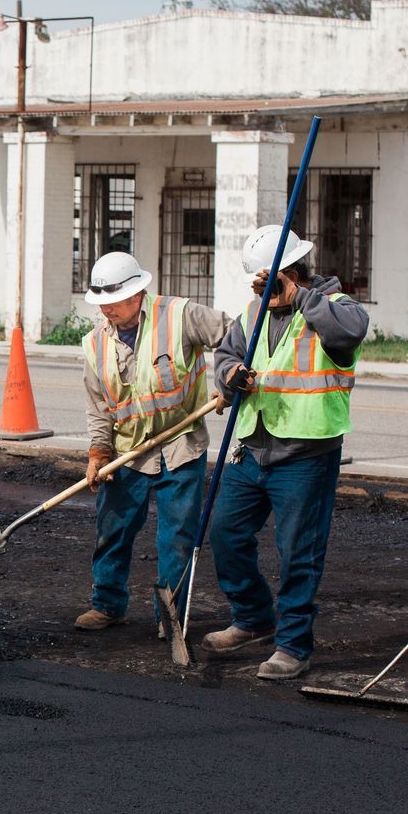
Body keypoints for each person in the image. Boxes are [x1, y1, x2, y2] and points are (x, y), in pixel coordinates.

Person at [203, 225, 370, 681]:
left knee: (298, 552)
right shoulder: (254, 313)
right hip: (252, 447)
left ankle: (293, 645)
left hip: (306, 454)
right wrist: (230, 374)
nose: (261, 292)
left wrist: (299, 297)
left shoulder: (336, 307)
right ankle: (254, 616)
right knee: (224, 534)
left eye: (268, 283)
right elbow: (225, 354)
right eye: (257, 284)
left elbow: (349, 332)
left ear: (292, 274)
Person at [74, 251, 230, 634]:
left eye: (111, 302)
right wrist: (99, 451)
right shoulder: (95, 345)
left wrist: (229, 377)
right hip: (128, 453)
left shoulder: (180, 316)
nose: (105, 310)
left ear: (136, 293)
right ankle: (108, 604)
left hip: (180, 447)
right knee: (112, 528)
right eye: (101, 303)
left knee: (176, 538)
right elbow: (99, 407)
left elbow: (237, 334)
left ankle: (171, 617)